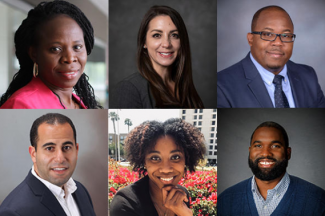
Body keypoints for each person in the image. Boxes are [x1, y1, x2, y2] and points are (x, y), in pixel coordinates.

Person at [0, 1, 102, 109]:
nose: (70, 58)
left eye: (77, 47)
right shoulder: (21, 105)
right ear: (34, 54)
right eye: (55, 49)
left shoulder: (78, 101)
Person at [217, 5, 325, 108]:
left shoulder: (308, 75)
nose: (278, 43)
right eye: (268, 34)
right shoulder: (222, 85)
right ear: (251, 39)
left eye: (286, 35)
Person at [217, 121, 325, 215]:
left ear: (288, 153)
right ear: (250, 152)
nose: (265, 153)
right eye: (258, 146)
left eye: (275, 146)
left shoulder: (319, 200)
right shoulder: (225, 200)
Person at [0, 113, 96, 216]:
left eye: (67, 147)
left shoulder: (81, 191)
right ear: (33, 154)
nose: (60, 158)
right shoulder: (13, 211)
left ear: (76, 150)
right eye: (49, 148)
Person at [110, 5, 204, 108]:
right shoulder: (128, 89)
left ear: (182, 42)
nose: (166, 44)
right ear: (144, 42)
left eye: (174, 35)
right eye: (157, 35)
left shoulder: (186, 89)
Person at [109, 118, 206, 216]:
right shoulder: (125, 203)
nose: (166, 169)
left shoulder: (181, 195)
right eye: (155, 158)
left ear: (186, 159)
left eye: (175, 157)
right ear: (144, 162)